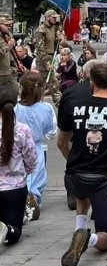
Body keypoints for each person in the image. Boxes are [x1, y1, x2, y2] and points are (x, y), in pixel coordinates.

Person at [57, 63, 107, 266]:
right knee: (106, 238)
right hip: (104, 178)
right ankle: (90, 238)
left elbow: (61, 142)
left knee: (82, 192)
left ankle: (79, 228)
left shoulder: (74, 107)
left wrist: (72, 161)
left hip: (74, 177)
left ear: (91, 82)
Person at [14, 72, 56, 218]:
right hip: (36, 146)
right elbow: (51, 132)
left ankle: (23, 200)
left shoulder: (15, 108)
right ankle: (34, 198)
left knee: (19, 174)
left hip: (17, 146)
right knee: (37, 175)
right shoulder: (46, 108)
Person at [0, 92, 38, 247]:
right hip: (15, 188)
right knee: (14, 234)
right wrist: (27, 170)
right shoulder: (22, 130)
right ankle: (7, 230)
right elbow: (31, 157)